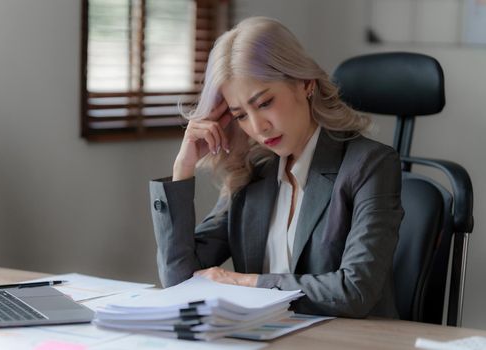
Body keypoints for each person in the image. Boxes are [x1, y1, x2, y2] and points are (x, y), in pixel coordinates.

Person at [149, 17, 403, 318]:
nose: (258, 127)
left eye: (265, 102)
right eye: (240, 115)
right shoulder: (254, 171)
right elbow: (179, 280)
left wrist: (243, 282)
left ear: (305, 83)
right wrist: (184, 168)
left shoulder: (369, 166)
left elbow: (354, 291)